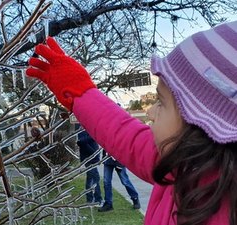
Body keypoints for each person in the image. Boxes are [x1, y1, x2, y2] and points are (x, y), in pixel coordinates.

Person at [26, 20, 237, 225]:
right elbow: (127, 137)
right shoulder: (179, 163)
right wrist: (81, 92)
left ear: (203, 120)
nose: (150, 112)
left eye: (161, 102)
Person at [76, 124, 103, 204]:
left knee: (90, 178)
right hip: (89, 158)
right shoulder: (82, 127)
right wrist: (93, 153)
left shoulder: (90, 127)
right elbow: (81, 142)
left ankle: (90, 199)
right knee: (95, 178)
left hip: (92, 157)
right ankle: (98, 199)